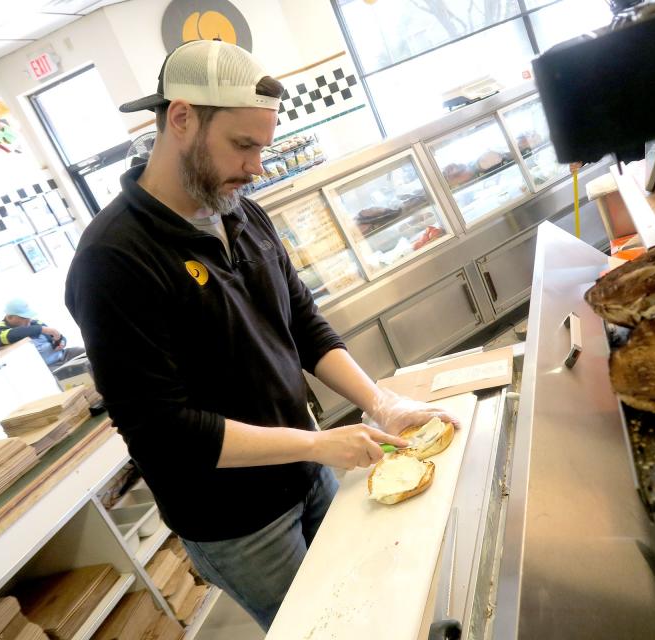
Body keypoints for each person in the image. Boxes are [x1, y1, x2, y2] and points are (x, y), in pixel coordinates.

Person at [64, 40, 456, 631]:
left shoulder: (239, 211)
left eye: (261, 147)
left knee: (374, 600)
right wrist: (318, 444)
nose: (256, 166)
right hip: (238, 522)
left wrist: (382, 402)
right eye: (243, 145)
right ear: (181, 118)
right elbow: (165, 431)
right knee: (324, 626)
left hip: (309, 468)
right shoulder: (113, 260)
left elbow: (300, 319)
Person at [0, 297, 84, 368]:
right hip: (47, 367)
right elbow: (9, 335)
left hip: (63, 355)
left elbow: (57, 336)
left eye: (29, 316)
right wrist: (42, 329)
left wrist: (60, 341)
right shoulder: (0, 332)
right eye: (24, 318)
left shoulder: (34, 323)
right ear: (10, 317)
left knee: (89, 352)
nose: (29, 320)